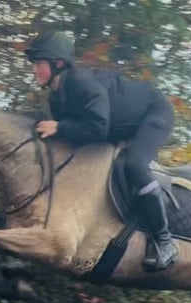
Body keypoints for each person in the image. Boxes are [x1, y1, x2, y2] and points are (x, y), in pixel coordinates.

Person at [25, 30, 179, 272]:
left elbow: (97, 127)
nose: (34, 70)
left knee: (134, 164)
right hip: (119, 126)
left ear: (57, 64)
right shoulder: (56, 98)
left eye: (38, 64)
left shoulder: (80, 82)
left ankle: (164, 241)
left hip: (154, 113)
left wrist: (59, 127)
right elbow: (74, 139)